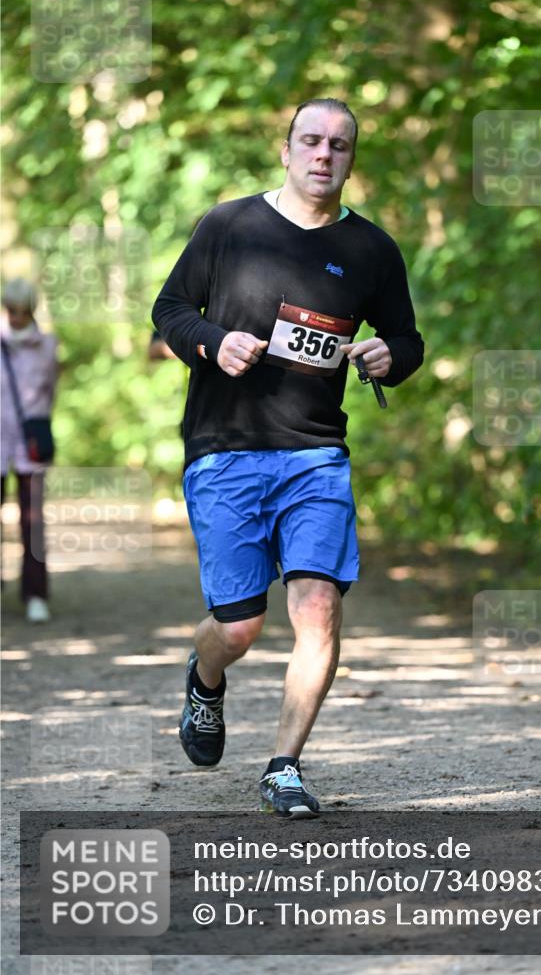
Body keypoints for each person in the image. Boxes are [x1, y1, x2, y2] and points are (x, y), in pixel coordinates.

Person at [152, 98, 423, 817]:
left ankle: (284, 767)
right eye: (311, 140)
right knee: (238, 625)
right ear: (286, 150)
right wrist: (213, 340)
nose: (323, 155)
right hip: (224, 447)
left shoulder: (372, 250)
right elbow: (169, 310)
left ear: (350, 159)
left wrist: (388, 355)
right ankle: (205, 678)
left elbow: (407, 341)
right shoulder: (229, 225)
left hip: (315, 455)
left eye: (338, 145)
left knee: (317, 608)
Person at [1, 279, 58, 623]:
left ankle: (35, 594)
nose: (18, 317)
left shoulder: (47, 346)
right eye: (12, 310)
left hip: (30, 445)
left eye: (24, 311)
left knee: (33, 523)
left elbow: (51, 392)